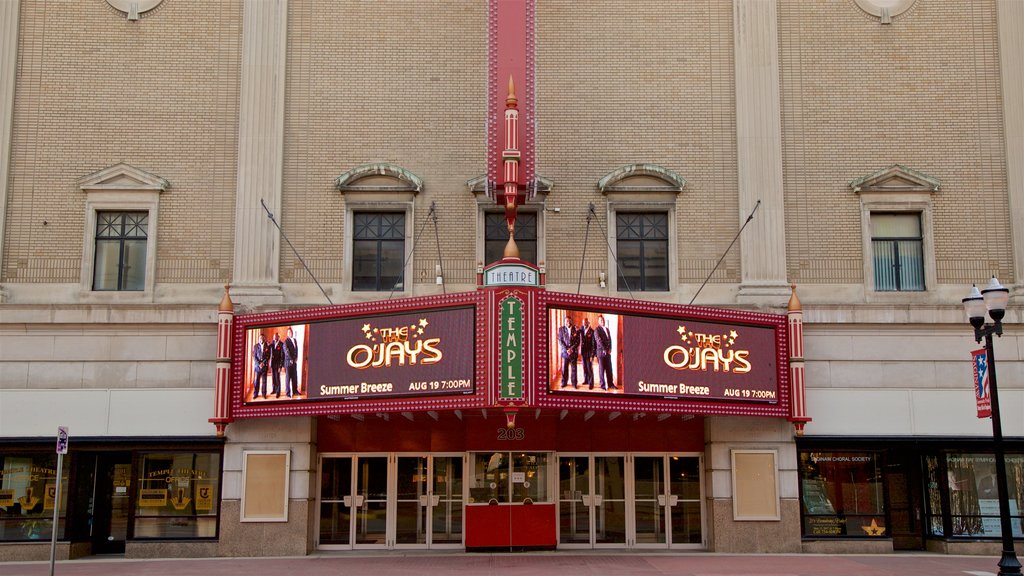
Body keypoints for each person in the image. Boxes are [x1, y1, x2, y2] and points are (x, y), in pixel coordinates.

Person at [557, 316, 580, 388]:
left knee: (574, 369)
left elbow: (578, 341)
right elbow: (560, 341)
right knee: (564, 368)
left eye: (569, 321)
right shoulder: (561, 329)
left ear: (571, 321)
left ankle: (574, 384)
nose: (568, 322)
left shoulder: (575, 329)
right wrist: (567, 349)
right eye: (567, 321)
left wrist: (572, 349)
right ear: (564, 322)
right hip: (565, 352)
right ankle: (564, 382)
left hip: (573, 352)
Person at [595, 315, 615, 390]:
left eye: (603, 320)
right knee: (601, 370)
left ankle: (610, 384)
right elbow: (599, 341)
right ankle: (602, 385)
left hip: (608, 353)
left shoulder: (607, 329)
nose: (602, 321)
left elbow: (610, 340)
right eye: (600, 320)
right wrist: (605, 349)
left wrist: (610, 349)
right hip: (601, 353)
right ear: (598, 322)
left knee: (609, 369)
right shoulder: (597, 330)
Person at [578, 317, 596, 389]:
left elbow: (593, 344)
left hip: (589, 352)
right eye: (583, 323)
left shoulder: (592, 331)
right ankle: (586, 380)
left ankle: (591, 383)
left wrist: (592, 355)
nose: (584, 324)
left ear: (588, 323)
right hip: (583, 352)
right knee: (584, 367)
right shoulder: (582, 329)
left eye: (585, 323)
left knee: (589, 368)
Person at [252, 332, 269, 399]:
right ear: (258, 339)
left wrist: (263, 363)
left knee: (264, 381)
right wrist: (259, 364)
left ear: (264, 339)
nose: (261, 339)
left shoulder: (267, 346)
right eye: (260, 338)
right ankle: (255, 394)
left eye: (262, 338)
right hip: (257, 367)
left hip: (264, 366)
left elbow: (268, 356)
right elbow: (254, 356)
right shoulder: (255, 346)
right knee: (256, 381)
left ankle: (264, 394)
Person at [284, 327, 300, 397]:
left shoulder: (295, 340)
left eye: (291, 332)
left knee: (294, 377)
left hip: (294, 362)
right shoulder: (286, 341)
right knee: (288, 378)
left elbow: (296, 350)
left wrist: (296, 358)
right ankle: (288, 393)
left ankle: (295, 391)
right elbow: (287, 352)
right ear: (287, 334)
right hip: (288, 362)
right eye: (289, 332)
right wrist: (291, 359)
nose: (290, 333)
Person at [269, 332, 284, 398]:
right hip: (272, 364)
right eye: (274, 336)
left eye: (276, 336)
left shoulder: (281, 344)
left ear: (278, 337)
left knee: (277, 378)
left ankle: (278, 392)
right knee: (273, 378)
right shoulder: (272, 344)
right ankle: (274, 390)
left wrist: (280, 366)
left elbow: (282, 356)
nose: (275, 338)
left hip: (278, 364)